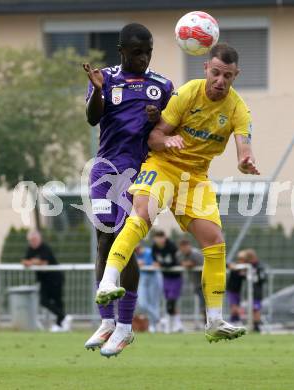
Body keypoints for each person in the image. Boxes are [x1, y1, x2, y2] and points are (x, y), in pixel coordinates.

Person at [97, 42, 260, 343]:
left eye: (227, 76)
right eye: (216, 73)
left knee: (215, 242)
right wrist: (167, 141)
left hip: (195, 178)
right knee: (142, 214)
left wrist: (244, 160)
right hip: (164, 165)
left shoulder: (238, 108)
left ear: (236, 76)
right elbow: (156, 135)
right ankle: (107, 283)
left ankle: (214, 321)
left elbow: (244, 145)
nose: (220, 81)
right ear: (206, 69)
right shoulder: (187, 93)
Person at [82, 23, 173, 356]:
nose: (144, 58)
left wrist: (159, 116)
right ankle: (106, 322)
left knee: (125, 241)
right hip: (106, 171)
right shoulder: (105, 78)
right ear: (121, 51)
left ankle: (124, 327)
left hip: (142, 173)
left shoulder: (161, 85)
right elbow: (93, 119)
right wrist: (97, 92)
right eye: (137, 53)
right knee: (103, 240)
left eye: (148, 52)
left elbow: (169, 128)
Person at [22, 230, 72, 332]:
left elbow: (43, 262)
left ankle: (60, 324)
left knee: (58, 301)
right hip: (44, 280)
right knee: (43, 301)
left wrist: (32, 262)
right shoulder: (30, 249)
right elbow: (24, 261)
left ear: (39, 239)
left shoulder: (45, 248)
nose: (33, 242)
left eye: (34, 240)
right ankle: (64, 317)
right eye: (31, 240)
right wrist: (33, 262)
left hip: (55, 278)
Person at [151, 231, 183, 333]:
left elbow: (175, 262)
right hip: (165, 277)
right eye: (157, 237)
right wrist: (157, 263)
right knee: (168, 301)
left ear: (165, 238)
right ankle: (176, 325)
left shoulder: (172, 247)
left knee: (171, 302)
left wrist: (161, 265)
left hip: (175, 277)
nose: (160, 240)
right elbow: (155, 259)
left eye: (161, 237)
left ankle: (172, 325)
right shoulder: (154, 248)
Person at [177, 237, 205, 327]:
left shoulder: (196, 254)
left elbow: (204, 265)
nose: (184, 249)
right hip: (196, 283)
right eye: (182, 247)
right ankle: (207, 324)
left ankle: (208, 324)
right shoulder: (179, 255)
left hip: (205, 283)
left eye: (186, 246)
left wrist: (192, 264)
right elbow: (179, 262)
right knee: (203, 306)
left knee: (205, 306)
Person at [136, 242, 162, 333]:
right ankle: (158, 318)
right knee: (142, 303)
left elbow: (156, 263)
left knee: (153, 303)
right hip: (142, 278)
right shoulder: (134, 255)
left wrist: (145, 263)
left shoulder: (149, 252)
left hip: (153, 278)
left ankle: (153, 325)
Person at [244, 248, 267, 332]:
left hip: (257, 291)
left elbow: (263, 278)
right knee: (252, 308)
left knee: (256, 308)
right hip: (250, 291)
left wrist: (257, 277)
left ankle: (257, 326)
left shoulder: (259, 266)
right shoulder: (248, 265)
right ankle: (253, 324)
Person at [226, 250, 247, 324]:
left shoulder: (245, 267)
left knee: (235, 306)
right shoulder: (235, 265)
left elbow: (245, 277)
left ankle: (234, 320)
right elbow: (226, 264)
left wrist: (243, 273)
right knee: (234, 306)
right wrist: (231, 267)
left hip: (237, 290)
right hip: (231, 289)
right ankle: (242, 317)